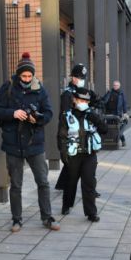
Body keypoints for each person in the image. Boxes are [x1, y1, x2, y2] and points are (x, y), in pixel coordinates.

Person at [0, 52, 59, 233]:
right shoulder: (7, 88)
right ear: (18, 74)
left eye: (30, 76)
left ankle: (47, 217)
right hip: (13, 144)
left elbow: (49, 113)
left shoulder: (40, 89)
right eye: (24, 76)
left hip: (35, 144)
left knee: (43, 182)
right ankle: (16, 220)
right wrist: (13, 113)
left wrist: (37, 119)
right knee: (16, 185)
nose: (27, 79)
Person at [58, 87, 108, 221]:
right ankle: (66, 205)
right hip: (73, 155)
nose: (82, 102)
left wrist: (95, 118)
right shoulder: (66, 115)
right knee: (70, 182)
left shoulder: (92, 114)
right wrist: (63, 153)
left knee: (89, 183)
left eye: (85, 100)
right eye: (80, 99)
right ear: (74, 100)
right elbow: (62, 135)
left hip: (89, 155)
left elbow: (105, 129)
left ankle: (91, 213)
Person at [55, 64, 97, 192]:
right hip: (73, 131)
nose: (81, 80)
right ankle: (67, 186)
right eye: (79, 77)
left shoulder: (82, 91)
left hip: (84, 130)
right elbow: (66, 116)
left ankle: (63, 184)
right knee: (72, 160)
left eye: (82, 77)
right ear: (73, 77)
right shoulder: (68, 94)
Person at [102, 80, 129, 147]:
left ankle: (123, 140)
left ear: (119, 86)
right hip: (109, 113)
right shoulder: (109, 93)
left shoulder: (121, 94)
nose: (115, 86)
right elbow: (104, 100)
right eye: (114, 85)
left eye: (117, 85)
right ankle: (110, 140)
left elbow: (124, 104)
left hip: (117, 113)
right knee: (108, 127)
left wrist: (125, 112)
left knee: (118, 128)